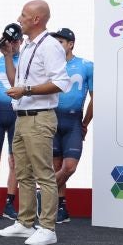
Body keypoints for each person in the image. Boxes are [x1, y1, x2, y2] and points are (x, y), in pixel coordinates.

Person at [0, 0, 70, 245]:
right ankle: (25, 223)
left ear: (36, 19)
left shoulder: (50, 46)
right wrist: (8, 57)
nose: (19, 18)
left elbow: (61, 82)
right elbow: (15, 83)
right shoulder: (27, 46)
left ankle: (48, 228)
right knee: (23, 173)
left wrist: (26, 90)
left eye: (24, 15)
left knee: (44, 175)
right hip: (22, 118)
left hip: (40, 118)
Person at [50, 27, 93, 224]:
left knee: (69, 167)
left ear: (70, 44)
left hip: (74, 121)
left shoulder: (86, 65)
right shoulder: (49, 67)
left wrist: (85, 123)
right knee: (56, 166)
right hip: (51, 120)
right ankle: (61, 207)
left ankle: (42, 197)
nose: (57, 46)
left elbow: (96, 98)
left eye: (60, 42)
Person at [0, 33, 21, 222]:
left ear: (22, 41)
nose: (13, 44)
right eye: (10, 41)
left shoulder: (26, 60)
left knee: (14, 162)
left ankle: (9, 204)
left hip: (17, 115)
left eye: (17, 41)